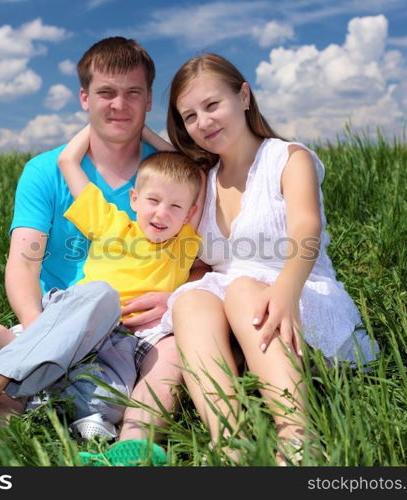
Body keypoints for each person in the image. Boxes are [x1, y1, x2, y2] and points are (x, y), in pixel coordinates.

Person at [0, 37, 197, 462]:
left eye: (132, 94)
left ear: (148, 100)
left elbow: (204, 264)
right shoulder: (45, 171)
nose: (119, 105)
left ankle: (132, 449)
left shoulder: (169, 180)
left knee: (175, 351)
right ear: (85, 97)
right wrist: (39, 331)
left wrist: (173, 299)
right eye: (106, 92)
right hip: (59, 316)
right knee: (13, 394)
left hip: (136, 332)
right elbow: (24, 262)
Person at [161, 53, 379, 464]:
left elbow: (305, 230)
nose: (203, 123)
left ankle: (298, 437)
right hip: (234, 312)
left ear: (243, 96)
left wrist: (285, 291)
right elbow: (205, 264)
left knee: (244, 290)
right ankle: (230, 441)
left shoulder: (288, 158)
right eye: (189, 116)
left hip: (298, 295)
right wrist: (170, 295)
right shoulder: (203, 180)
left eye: (212, 105)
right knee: (190, 298)